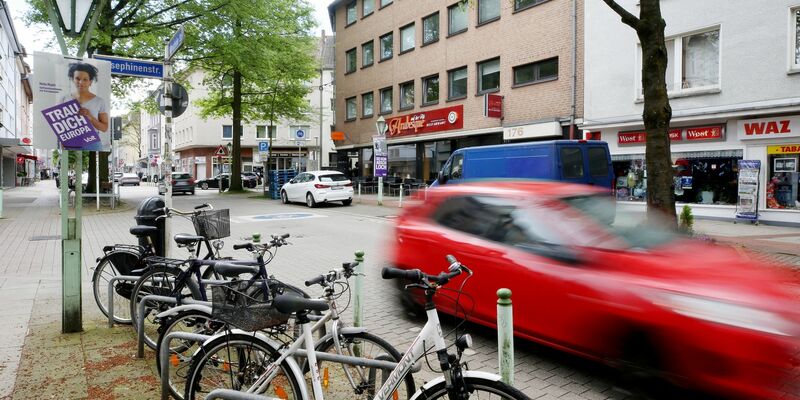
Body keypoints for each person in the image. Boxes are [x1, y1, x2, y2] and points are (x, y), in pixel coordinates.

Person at [60, 62, 109, 133]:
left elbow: (104, 128)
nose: (81, 82)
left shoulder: (99, 101)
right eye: (77, 78)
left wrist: (91, 118)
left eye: (85, 79)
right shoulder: (64, 99)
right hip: (70, 142)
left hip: (92, 142)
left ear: (90, 82)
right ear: (72, 79)